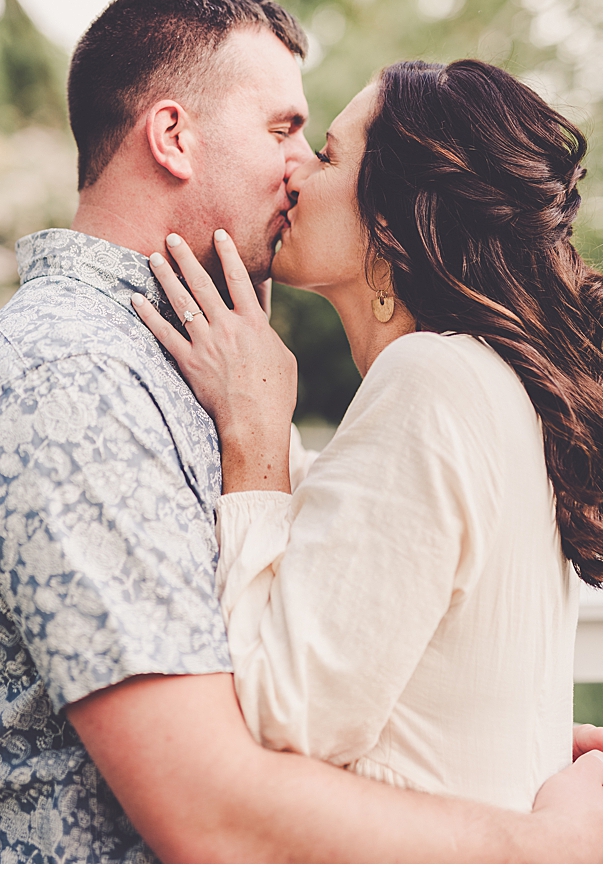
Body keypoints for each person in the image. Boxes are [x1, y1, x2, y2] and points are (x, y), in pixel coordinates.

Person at [0, 0, 602, 862]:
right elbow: (217, 805)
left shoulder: (207, 366)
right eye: (282, 130)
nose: (300, 164)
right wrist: (548, 846)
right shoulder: (70, 374)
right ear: (173, 136)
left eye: (318, 143)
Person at [133, 58, 601, 810]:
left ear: (389, 217)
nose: (295, 171)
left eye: (327, 154)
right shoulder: (486, 383)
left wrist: (254, 448)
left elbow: (292, 717)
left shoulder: (431, 380)